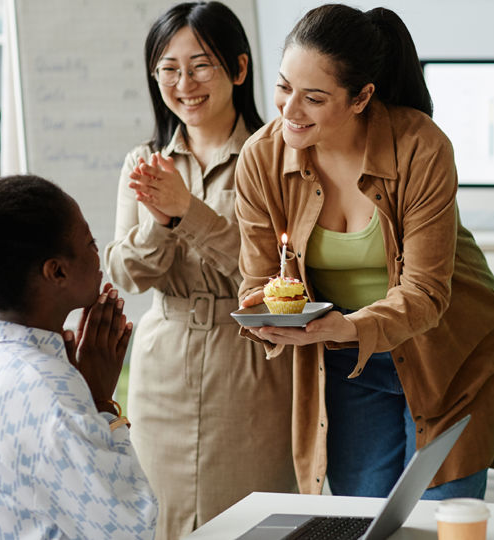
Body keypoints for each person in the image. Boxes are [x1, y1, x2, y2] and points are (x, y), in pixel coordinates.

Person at [234, 3, 494, 500]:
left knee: (437, 520)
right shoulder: (261, 159)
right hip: (348, 359)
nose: (289, 110)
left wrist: (349, 325)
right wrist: (269, 316)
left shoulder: (421, 147)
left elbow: (427, 292)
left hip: (450, 356)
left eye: (314, 98)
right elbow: (258, 280)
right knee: (359, 518)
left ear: (361, 96)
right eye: (283, 87)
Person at [103, 2, 296, 535]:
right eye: (168, 68)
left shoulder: (279, 156)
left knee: (252, 519)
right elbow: (125, 272)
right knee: (158, 517)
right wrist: (160, 222)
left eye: (200, 65)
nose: (183, 82)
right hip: (162, 364)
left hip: (252, 362)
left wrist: (189, 211)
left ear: (238, 68)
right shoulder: (144, 161)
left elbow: (279, 277)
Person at [0, 176, 156, 539]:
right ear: (57, 271)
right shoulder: (49, 389)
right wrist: (100, 403)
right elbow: (133, 529)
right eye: (90, 243)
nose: (97, 255)